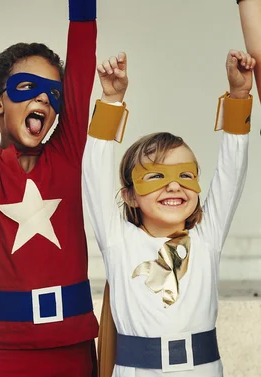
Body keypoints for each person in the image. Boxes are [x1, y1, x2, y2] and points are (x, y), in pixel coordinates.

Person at [0, 0, 99, 375]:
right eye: (27, 87)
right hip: (5, 350)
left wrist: (83, 10)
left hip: (71, 344)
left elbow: (79, 79)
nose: (44, 97)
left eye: (52, 93)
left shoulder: (66, 156)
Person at [84, 50, 254, 376]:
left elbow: (232, 171)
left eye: (185, 176)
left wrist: (238, 96)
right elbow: (93, 173)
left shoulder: (207, 238)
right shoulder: (119, 241)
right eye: (156, 177)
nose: (174, 187)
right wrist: (112, 101)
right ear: (129, 196)